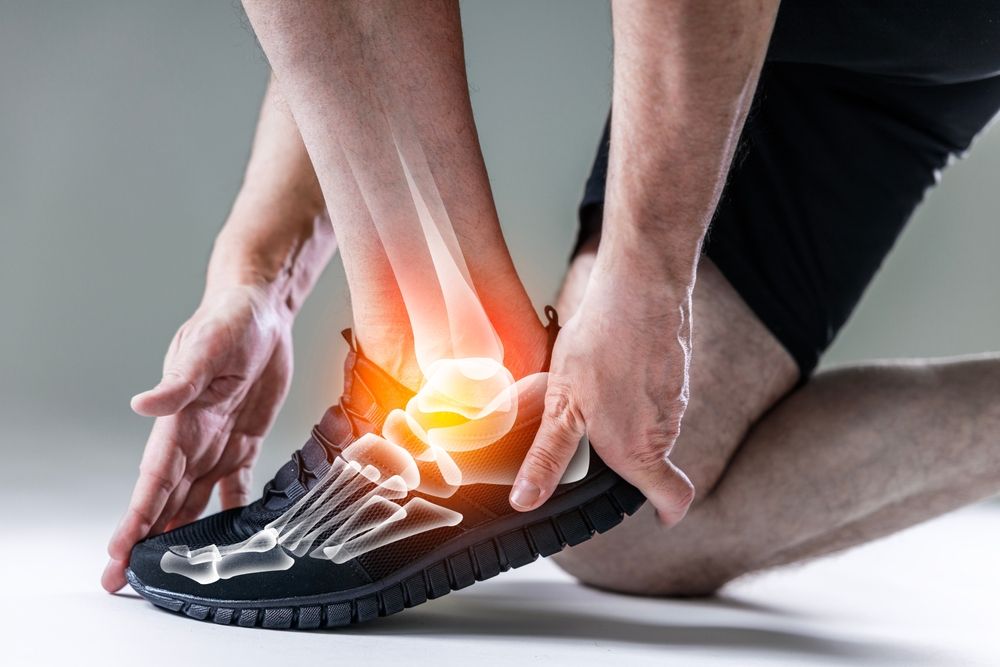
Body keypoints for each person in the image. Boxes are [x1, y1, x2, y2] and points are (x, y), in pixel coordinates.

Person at [104, 0, 1000, 602]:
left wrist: (646, 278)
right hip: (790, 43)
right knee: (630, 515)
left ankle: (441, 382)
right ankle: (443, 377)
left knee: (590, 445)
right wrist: (261, 270)